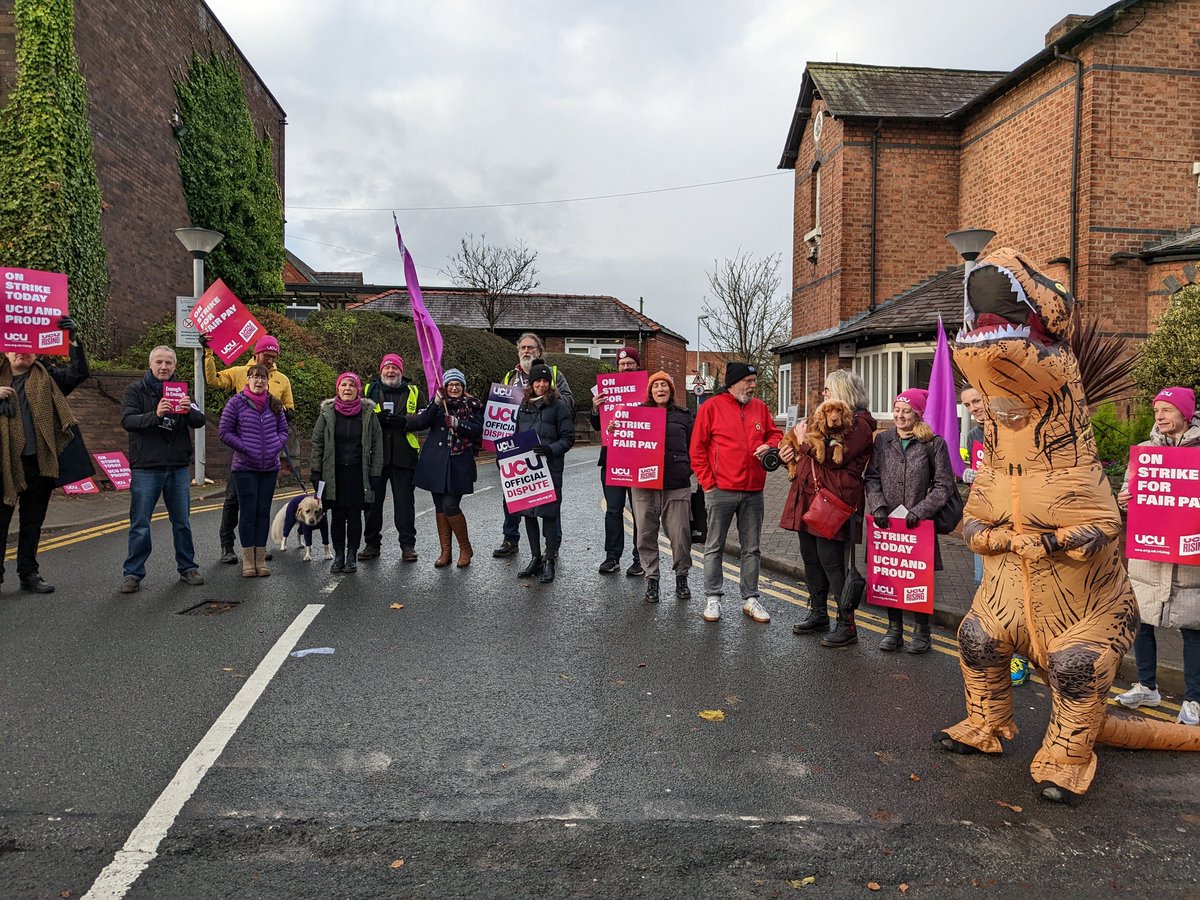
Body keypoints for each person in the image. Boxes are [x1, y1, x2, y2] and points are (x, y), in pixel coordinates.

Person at [1116, 387, 1200, 726]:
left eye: (1167, 410)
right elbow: (1131, 491)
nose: (1159, 416)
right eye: (1156, 411)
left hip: (1190, 557)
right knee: (1143, 621)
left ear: (1185, 413)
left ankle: (1194, 699)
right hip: (1149, 555)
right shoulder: (1146, 452)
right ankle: (1146, 687)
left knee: (1193, 629)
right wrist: (1125, 499)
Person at [779, 369, 876, 647]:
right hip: (810, 497)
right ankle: (819, 613)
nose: (823, 393)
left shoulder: (859, 424)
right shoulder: (823, 418)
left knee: (832, 564)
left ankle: (846, 625)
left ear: (845, 393)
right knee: (811, 558)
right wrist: (786, 453)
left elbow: (834, 460)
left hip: (835, 502)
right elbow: (802, 448)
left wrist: (804, 443)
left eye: (828, 389)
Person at [863, 388, 956, 654]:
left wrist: (920, 511)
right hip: (888, 523)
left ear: (917, 414)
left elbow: (944, 485)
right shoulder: (883, 440)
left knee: (918, 577)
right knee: (891, 574)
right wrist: (879, 507)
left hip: (918, 524)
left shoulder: (933, 443)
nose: (900, 416)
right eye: (897, 410)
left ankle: (922, 632)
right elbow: (872, 477)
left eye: (906, 411)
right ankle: (894, 630)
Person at [0, 315, 88, 593]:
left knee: (32, 523)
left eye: (29, 347)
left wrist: (73, 340)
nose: (23, 352)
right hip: (4, 464)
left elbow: (78, 373)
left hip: (39, 463)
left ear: (37, 352)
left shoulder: (47, 377)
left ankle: (28, 574)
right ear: (6, 350)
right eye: (17, 346)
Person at [689, 361, 782, 624]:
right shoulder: (711, 407)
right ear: (733, 383)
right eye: (748, 381)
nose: (753, 386)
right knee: (714, 546)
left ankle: (750, 599)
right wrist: (708, 483)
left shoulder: (760, 408)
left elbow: (776, 435)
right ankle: (713, 598)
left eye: (754, 381)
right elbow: (697, 449)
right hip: (720, 490)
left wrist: (769, 445)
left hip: (754, 490)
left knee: (752, 548)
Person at [118, 346, 207, 593]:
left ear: (174, 366)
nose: (164, 367)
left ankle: (188, 567)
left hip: (177, 467)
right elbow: (128, 421)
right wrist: (155, 415)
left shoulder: (182, 391)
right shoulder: (135, 390)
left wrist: (190, 411)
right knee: (140, 523)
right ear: (151, 364)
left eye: (168, 362)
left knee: (182, 522)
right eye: (159, 362)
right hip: (146, 467)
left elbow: (200, 420)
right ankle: (133, 573)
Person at [203, 334, 295, 564]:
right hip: (244, 449)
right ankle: (227, 546)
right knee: (233, 499)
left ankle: (258, 548)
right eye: (267, 355)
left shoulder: (282, 379)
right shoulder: (238, 372)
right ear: (256, 353)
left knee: (262, 504)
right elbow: (214, 380)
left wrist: (280, 425)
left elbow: (289, 409)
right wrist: (208, 353)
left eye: (274, 356)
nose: (270, 359)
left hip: (268, 451)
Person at [960, 384, 1029, 684]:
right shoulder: (974, 435)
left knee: (1017, 587)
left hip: (1015, 523)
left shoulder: (1016, 430)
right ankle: (997, 650)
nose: (973, 408)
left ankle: (1020, 656)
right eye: (967, 405)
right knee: (984, 583)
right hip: (986, 521)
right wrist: (969, 476)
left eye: (977, 401)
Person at [494, 332, 572, 558]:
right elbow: (501, 414)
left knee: (549, 500)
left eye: (531, 348)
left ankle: (552, 546)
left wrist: (546, 397)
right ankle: (510, 539)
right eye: (523, 348)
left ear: (539, 351)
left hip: (546, 448)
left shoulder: (553, 374)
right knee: (513, 495)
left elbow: (569, 401)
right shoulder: (510, 376)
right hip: (518, 449)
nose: (526, 351)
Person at [218, 364, 288, 577]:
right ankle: (248, 561)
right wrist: (245, 447)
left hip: (269, 467)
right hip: (245, 467)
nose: (259, 381)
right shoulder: (236, 402)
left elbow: (283, 431)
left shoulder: (274, 404)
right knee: (248, 513)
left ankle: (260, 559)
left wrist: (276, 446)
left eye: (263, 377)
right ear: (247, 380)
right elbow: (224, 431)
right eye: (254, 377)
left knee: (263, 513)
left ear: (267, 381)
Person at [409, 369, 483, 569]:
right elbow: (421, 422)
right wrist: (435, 403)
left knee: (451, 505)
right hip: (435, 462)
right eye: (450, 384)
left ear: (463, 387)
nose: (454, 387)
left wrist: (459, 424)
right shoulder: (437, 403)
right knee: (440, 506)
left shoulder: (473, 405)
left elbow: (478, 430)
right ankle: (445, 552)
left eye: (458, 384)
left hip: (459, 462)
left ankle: (465, 549)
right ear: (445, 386)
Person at [630, 371, 694, 602]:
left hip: (676, 484)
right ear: (650, 391)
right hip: (644, 485)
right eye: (656, 385)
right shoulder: (636, 415)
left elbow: (695, 446)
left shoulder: (685, 416)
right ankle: (652, 580)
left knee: (680, 536)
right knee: (645, 535)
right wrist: (613, 428)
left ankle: (682, 577)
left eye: (664, 385)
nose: (660, 389)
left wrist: (687, 468)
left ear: (671, 390)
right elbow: (621, 441)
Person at [311, 372, 383, 574]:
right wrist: (315, 471)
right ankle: (339, 556)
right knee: (337, 515)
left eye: (352, 385)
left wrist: (375, 473)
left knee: (354, 516)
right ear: (338, 389)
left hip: (358, 473)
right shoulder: (327, 413)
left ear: (358, 389)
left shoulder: (368, 414)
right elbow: (317, 444)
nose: (347, 389)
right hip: (333, 473)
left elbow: (377, 445)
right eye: (344, 385)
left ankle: (351, 555)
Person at [359, 353, 425, 562]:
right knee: (372, 505)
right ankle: (371, 544)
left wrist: (404, 422)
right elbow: (356, 416)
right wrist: (374, 418)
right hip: (375, 457)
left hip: (404, 457)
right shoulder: (368, 390)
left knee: (405, 505)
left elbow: (424, 419)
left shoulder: (414, 392)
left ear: (401, 372)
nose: (390, 371)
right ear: (381, 371)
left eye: (394, 368)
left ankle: (407, 545)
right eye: (386, 368)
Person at [513, 359, 575, 583]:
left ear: (550, 383)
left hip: (550, 468)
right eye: (537, 380)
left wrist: (550, 449)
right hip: (526, 471)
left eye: (545, 381)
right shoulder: (524, 405)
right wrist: (507, 459)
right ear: (531, 383)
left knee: (548, 515)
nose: (541, 384)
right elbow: (515, 435)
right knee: (528, 515)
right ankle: (535, 558)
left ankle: (550, 560)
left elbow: (568, 438)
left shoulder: (559, 406)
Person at [592, 345, 643, 576]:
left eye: (630, 363)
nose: (626, 367)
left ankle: (640, 558)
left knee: (640, 511)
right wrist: (596, 409)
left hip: (639, 460)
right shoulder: (606, 390)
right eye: (622, 364)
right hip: (612, 459)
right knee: (613, 511)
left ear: (637, 365)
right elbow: (597, 427)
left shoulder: (647, 389)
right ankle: (612, 557)